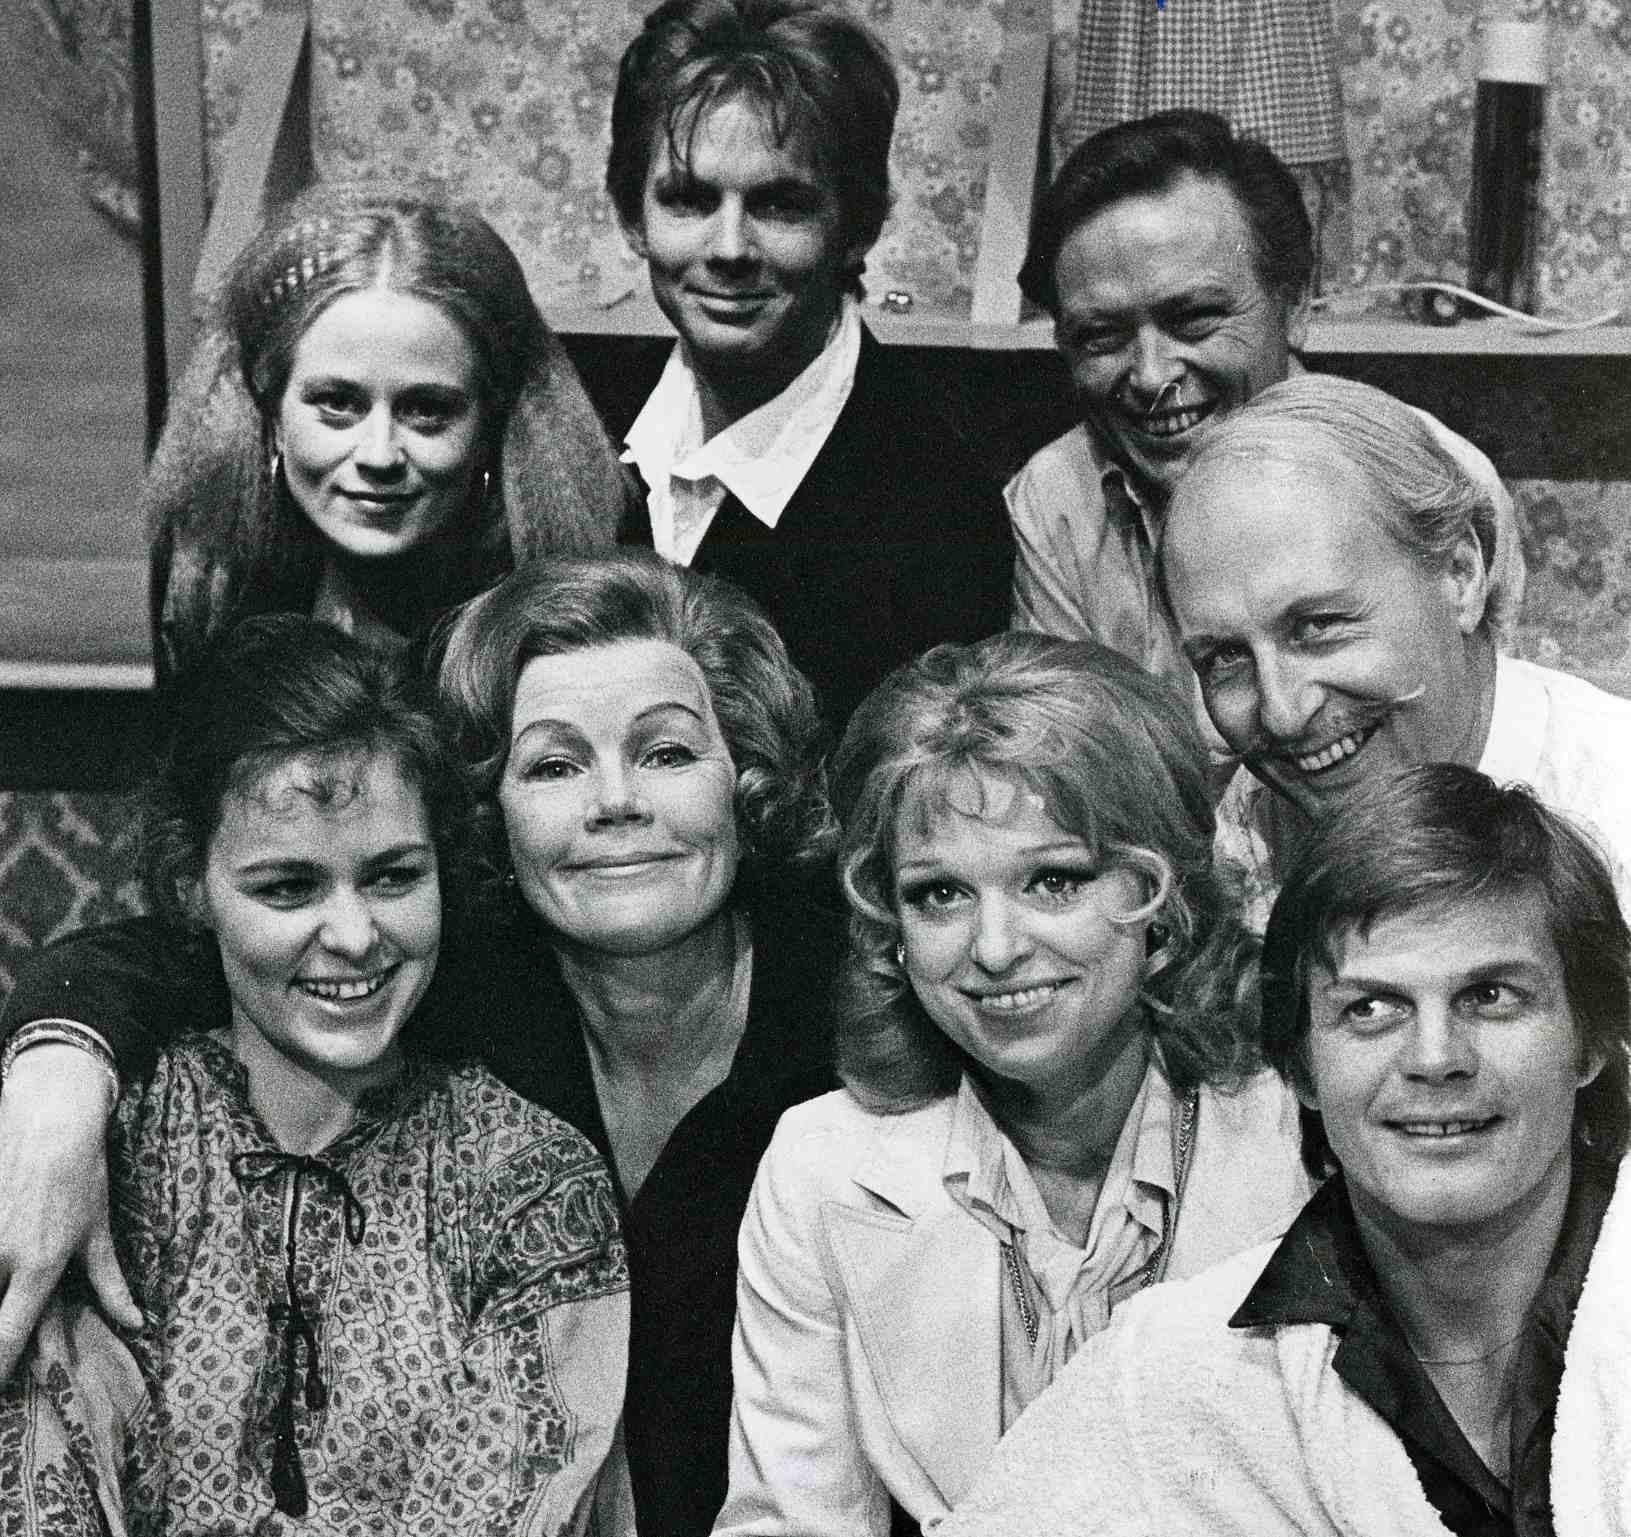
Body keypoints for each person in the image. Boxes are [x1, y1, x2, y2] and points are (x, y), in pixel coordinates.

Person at [0, 552, 839, 1537]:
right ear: (489, 811)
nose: (616, 800)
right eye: (554, 764)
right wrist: (58, 1071)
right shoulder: (451, 985)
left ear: (745, 775)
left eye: (665, 753)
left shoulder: (858, 1018)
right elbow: (175, 955)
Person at [712, 632, 1313, 1535]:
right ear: (889, 925)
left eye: (1052, 881)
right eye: (939, 894)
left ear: (1163, 898)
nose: (993, 948)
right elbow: (790, 1524)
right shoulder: (822, 1165)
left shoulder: (1299, 1129)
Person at [938, 764, 1628, 1537]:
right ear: (1298, 1065)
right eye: (1370, 1007)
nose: (1435, 1057)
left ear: (1592, 1038)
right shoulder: (1169, 1369)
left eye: (1490, 996)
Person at [1005, 108, 1523, 686]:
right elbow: (1068, 739)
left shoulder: (1442, 479)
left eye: (1194, 318)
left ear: (1294, 306)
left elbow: (1468, 723)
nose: (1150, 377)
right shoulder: (1057, 498)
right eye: (1101, 336)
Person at [607, 0, 1013, 726]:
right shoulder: (590, 423)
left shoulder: (937, 505)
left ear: (858, 225)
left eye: (780, 205)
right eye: (689, 200)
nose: (730, 249)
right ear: (632, 216)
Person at [1159, 373, 1631, 924]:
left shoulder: (1615, 811)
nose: (1282, 715)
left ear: (1460, 575)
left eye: (1318, 626)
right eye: (1225, 658)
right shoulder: (1247, 835)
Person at [149, 180, 630, 682]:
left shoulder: (557, 652)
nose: (379, 456)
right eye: (338, 404)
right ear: (273, 418)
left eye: (427, 410)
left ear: (489, 427)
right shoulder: (215, 609)